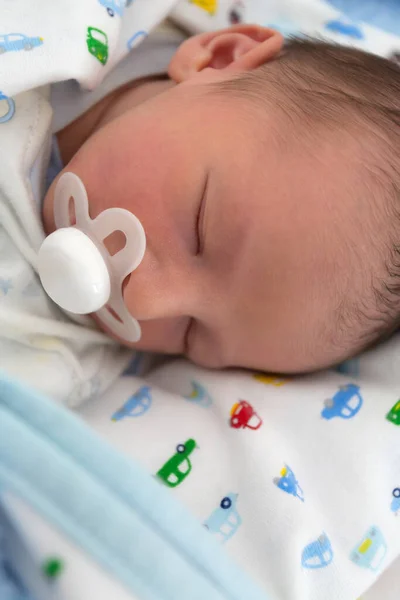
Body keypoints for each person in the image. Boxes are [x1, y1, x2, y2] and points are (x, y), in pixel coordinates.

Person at [43, 24, 400, 375]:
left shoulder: (57, 356)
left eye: (191, 333)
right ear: (220, 59)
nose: (143, 301)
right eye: (197, 227)